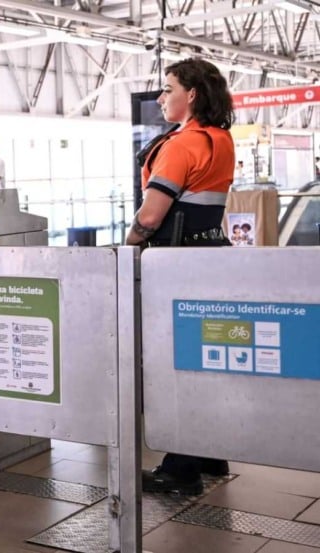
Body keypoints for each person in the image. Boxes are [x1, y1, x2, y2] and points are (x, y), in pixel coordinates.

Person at [125, 58, 235, 495]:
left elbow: (151, 215)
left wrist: (129, 244)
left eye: (168, 88)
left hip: (176, 264)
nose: (160, 97)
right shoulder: (220, 139)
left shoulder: (181, 144)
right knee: (203, 356)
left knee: (175, 364)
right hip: (212, 256)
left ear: (191, 95)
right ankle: (209, 452)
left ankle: (180, 469)